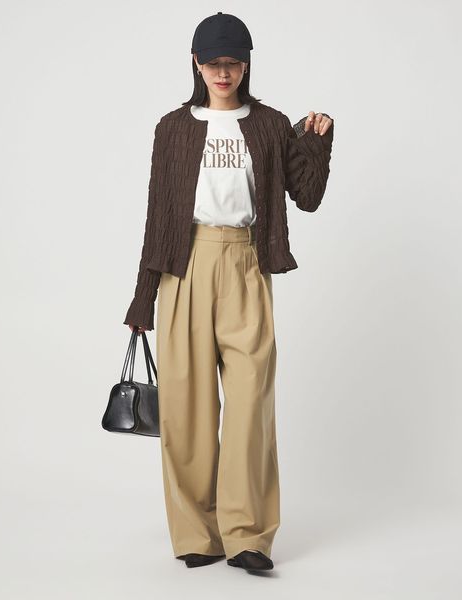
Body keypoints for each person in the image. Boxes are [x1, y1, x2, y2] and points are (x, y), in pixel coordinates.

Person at [123, 12, 334, 573]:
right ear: (196, 63)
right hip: (183, 267)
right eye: (214, 62)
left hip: (245, 263)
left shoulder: (269, 124)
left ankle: (247, 536)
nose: (223, 72)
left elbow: (307, 197)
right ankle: (197, 533)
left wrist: (318, 143)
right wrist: (143, 298)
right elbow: (158, 215)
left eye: (233, 62)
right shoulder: (172, 129)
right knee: (187, 408)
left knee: (250, 405)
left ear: (246, 65)